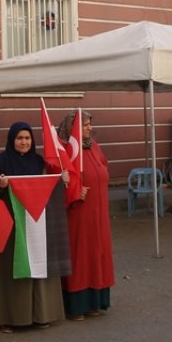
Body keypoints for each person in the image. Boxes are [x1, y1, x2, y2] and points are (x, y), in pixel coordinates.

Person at [0, 122, 67, 333]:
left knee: (39, 266)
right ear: (11, 140)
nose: (24, 142)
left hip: (36, 223)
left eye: (27, 138)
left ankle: (42, 315)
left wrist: (61, 180)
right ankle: (10, 317)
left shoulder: (39, 162)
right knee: (11, 270)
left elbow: (48, 187)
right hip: (11, 227)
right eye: (19, 138)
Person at [58, 111, 115, 320]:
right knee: (80, 255)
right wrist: (72, 192)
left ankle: (96, 300)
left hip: (98, 213)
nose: (90, 128)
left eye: (90, 124)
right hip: (78, 214)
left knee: (97, 254)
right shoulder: (65, 150)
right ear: (73, 129)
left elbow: (104, 167)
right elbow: (57, 179)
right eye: (85, 125)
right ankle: (76, 304)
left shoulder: (94, 146)